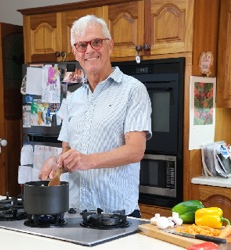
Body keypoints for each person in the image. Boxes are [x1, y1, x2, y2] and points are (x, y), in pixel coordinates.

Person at [39, 15, 152, 218]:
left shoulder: (133, 90)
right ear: (75, 52)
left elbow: (135, 151)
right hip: (74, 214)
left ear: (110, 45)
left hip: (116, 216)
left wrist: (86, 160)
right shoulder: (73, 97)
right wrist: (55, 161)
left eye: (96, 42)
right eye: (82, 45)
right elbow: (68, 151)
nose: (89, 50)